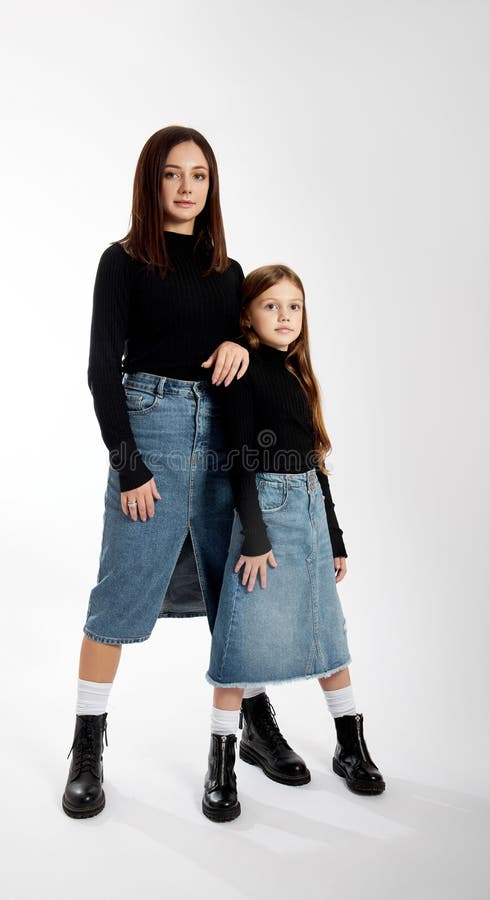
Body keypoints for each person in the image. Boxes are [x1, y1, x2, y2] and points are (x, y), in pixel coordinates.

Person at [62, 126, 307, 818]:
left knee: (239, 589)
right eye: (173, 174)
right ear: (151, 182)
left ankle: (251, 728)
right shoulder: (122, 263)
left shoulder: (228, 272)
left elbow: (254, 342)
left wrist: (236, 337)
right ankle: (87, 744)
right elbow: (99, 370)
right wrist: (129, 464)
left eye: (199, 175)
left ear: (211, 184)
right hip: (154, 434)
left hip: (224, 441)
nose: (186, 187)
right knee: (119, 591)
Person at [201, 264, 386, 822]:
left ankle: (350, 746)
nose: (285, 316)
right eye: (271, 306)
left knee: (330, 636)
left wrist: (334, 536)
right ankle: (222, 761)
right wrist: (254, 537)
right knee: (238, 645)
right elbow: (238, 457)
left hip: (306, 510)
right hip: (266, 515)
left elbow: (315, 464)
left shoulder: (298, 374)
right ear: (247, 316)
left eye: (295, 307)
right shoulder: (243, 368)